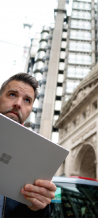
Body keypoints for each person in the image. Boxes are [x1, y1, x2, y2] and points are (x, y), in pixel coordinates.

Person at [0, 73, 56, 217]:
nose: (18, 103)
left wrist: (38, 207)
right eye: (12, 94)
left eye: (27, 100)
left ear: (30, 109)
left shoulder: (36, 158)